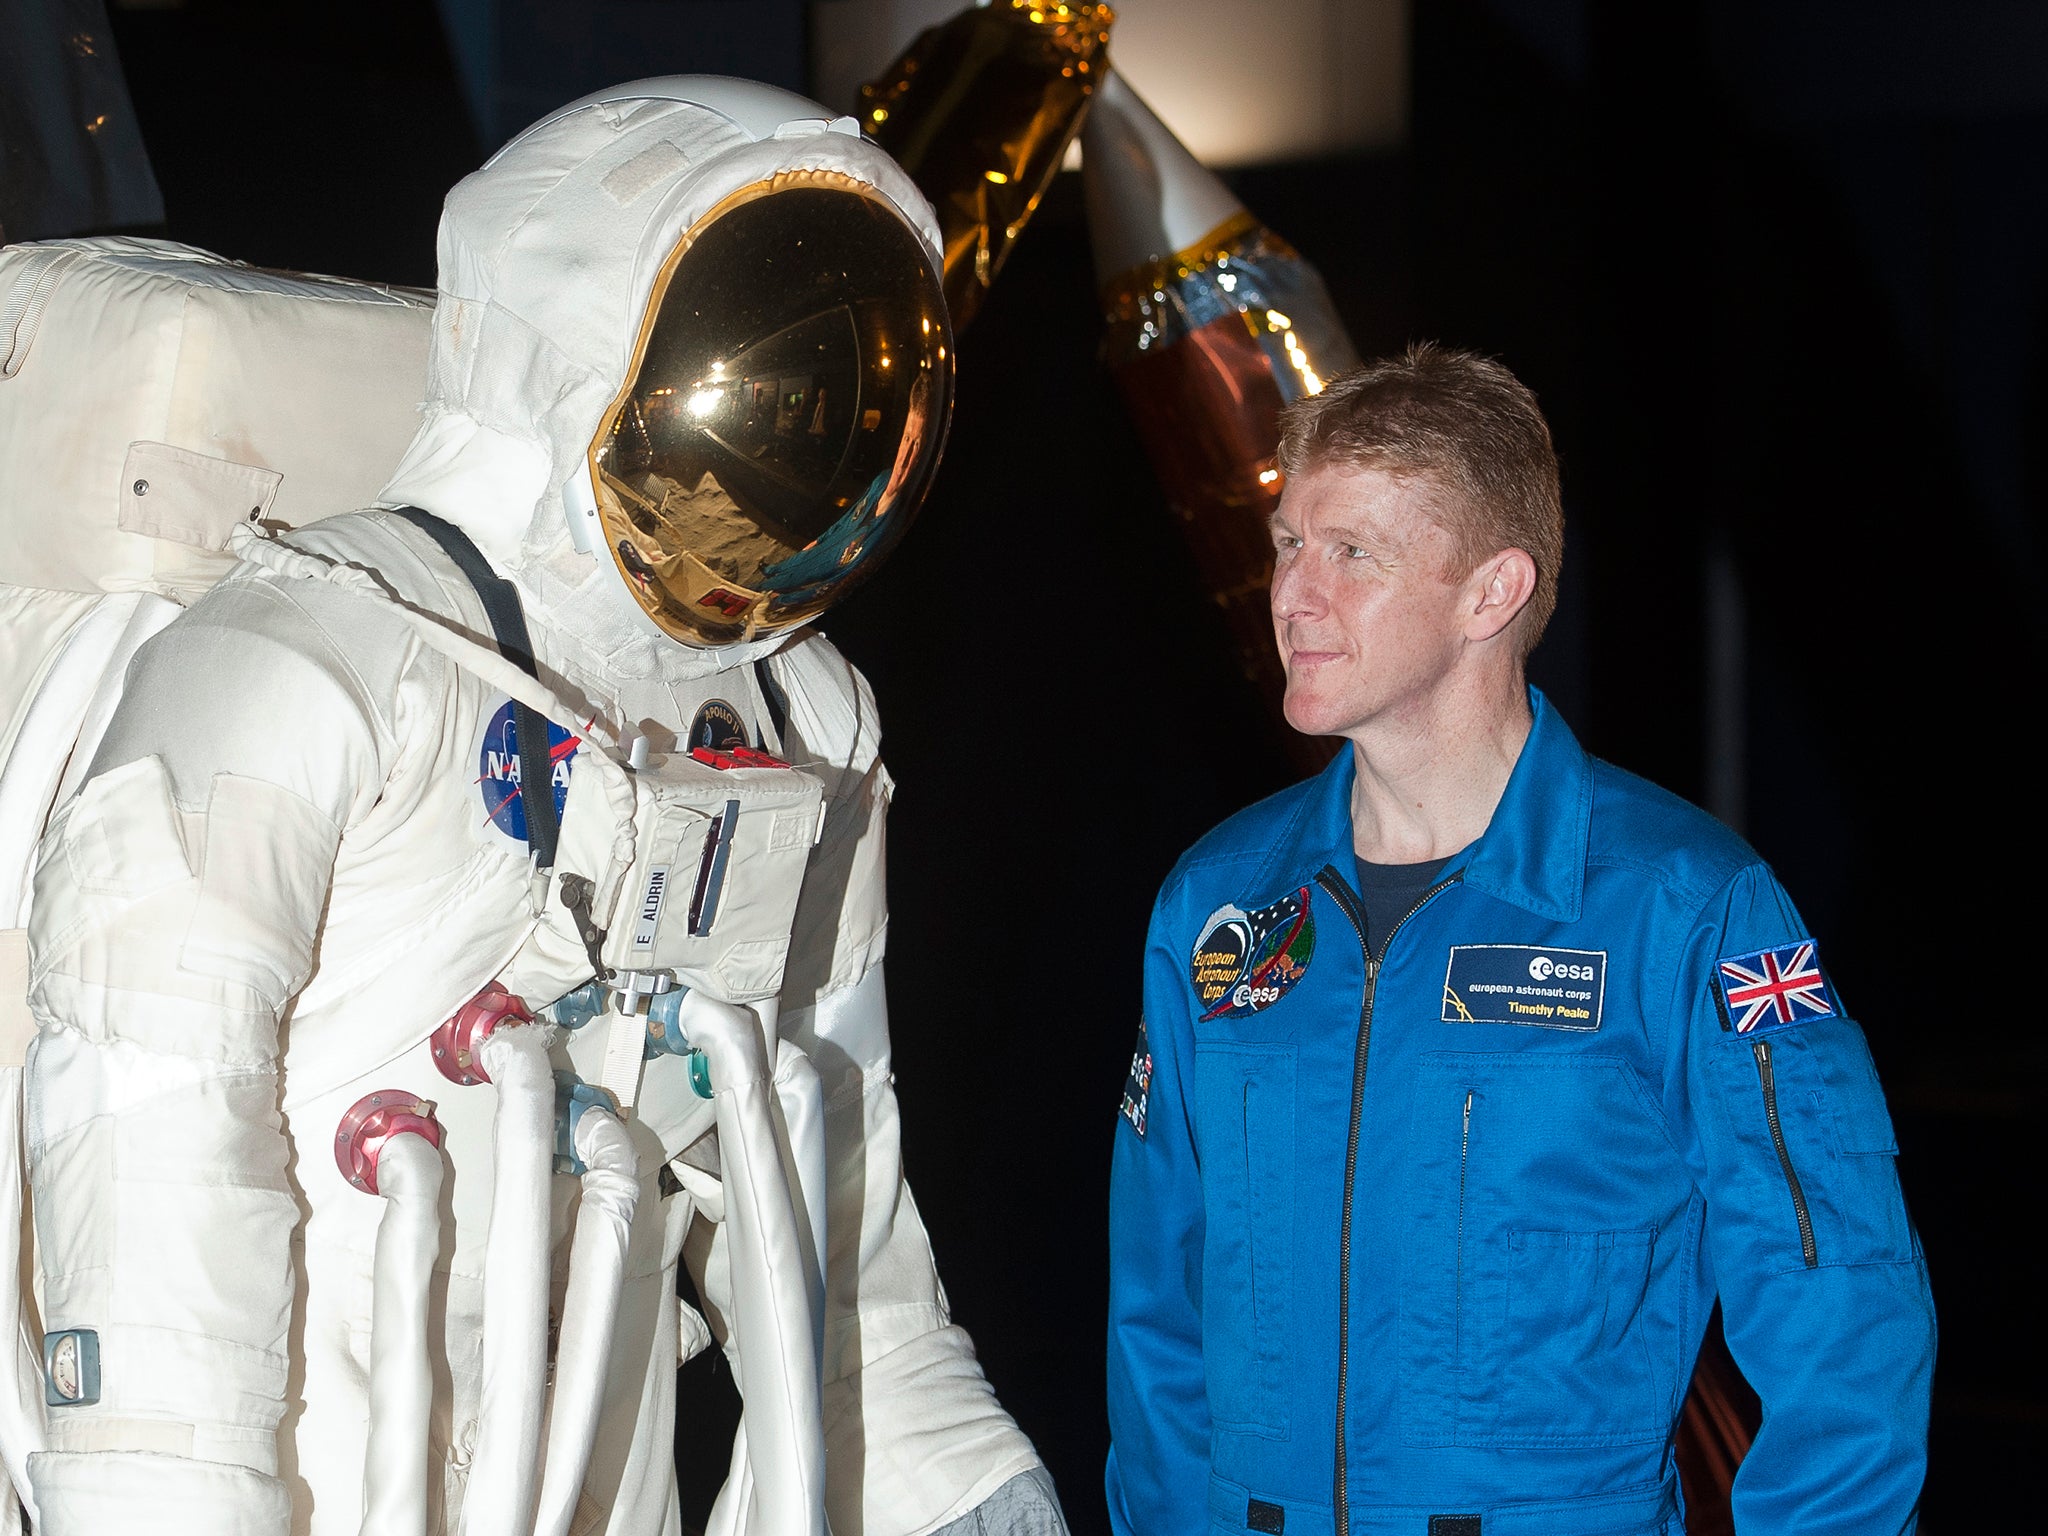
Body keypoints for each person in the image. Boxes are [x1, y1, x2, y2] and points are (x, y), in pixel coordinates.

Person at [22, 78, 1063, 1536]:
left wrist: (937, 1458)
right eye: (765, 389)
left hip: (589, 1464)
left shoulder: (794, 722)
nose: (804, 449)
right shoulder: (309, 662)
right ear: (573, 355)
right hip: (312, 1470)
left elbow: (824, 1148)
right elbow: (145, 1128)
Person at [1106, 345, 1934, 1536]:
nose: (1291, 593)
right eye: (1290, 543)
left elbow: (1842, 1318)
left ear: (1491, 592)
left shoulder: (1681, 908)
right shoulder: (1217, 904)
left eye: (1352, 554)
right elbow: (1158, 1308)